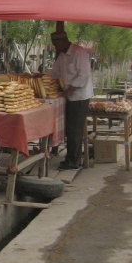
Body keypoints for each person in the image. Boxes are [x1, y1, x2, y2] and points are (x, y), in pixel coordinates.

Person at [46, 30, 93, 170]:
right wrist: (41, 77)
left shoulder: (79, 53)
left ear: (64, 40)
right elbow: (55, 73)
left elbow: (83, 76)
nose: (55, 47)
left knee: (75, 130)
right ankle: (70, 156)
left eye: (56, 44)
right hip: (68, 96)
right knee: (68, 128)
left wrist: (68, 91)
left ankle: (73, 161)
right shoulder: (62, 56)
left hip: (79, 96)